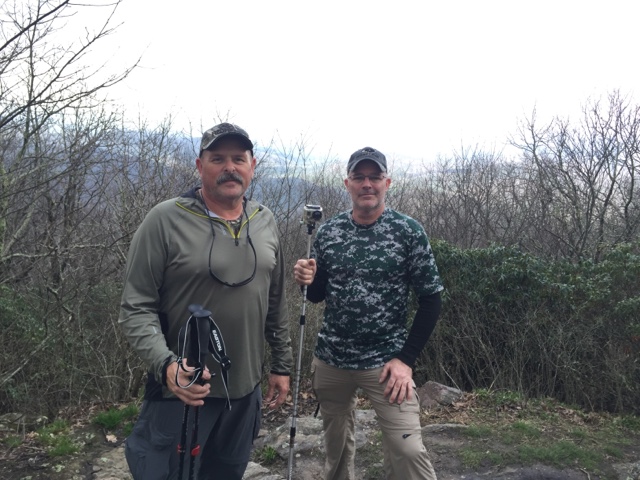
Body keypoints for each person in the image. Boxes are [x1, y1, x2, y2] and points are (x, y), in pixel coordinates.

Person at [119, 122, 292, 480]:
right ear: (200, 166)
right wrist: (166, 366)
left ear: (252, 166)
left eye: (238, 159)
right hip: (183, 390)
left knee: (227, 473)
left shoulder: (265, 220)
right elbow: (136, 307)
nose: (230, 167)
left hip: (245, 391)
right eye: (218, 159)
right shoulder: (165, 219)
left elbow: (274, 300)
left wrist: (281, 364)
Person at [293, 146, 443, 480]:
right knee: (335, 450)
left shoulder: (408, 232)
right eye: (359, 177)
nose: (367, 184)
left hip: (386, 363)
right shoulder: (329, 233)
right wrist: (305, 279)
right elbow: (316, 296)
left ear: (387, 183)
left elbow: (431, 300)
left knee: (407, 450)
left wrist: (406, 359)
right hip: (332, 360)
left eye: (374, 177)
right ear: (347, 183)